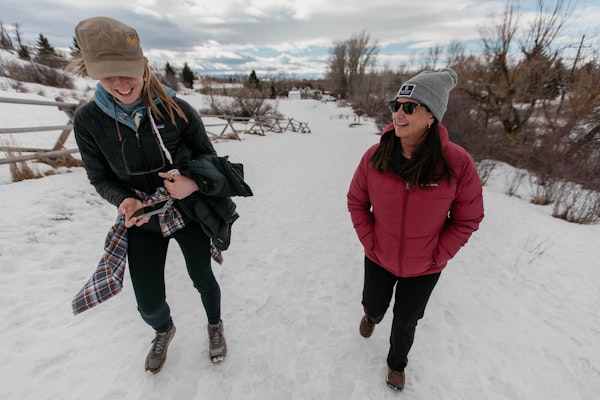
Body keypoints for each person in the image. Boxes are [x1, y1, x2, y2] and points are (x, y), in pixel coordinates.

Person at [68, 16, 228, 373]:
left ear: (143, 64)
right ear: (93, 73)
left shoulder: (176, 109)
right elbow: (98, 176)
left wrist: (192, 183)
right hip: (143, 217)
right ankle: (163, 329)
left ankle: (215, 325)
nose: (121, 84)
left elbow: (209, 159)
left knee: (202, 276)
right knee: (148, 301)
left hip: (186, 210)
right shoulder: (88, 121)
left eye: (127, 71)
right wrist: (124, 200)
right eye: (108, 75)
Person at [347, 68, 484, 391]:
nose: (398, 113)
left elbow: (468, 218)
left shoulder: (457, 163)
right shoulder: (376, 155)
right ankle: (372, 317)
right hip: (379, 256)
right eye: (396, 104)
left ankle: (396, 364)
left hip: (425, 267)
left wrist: (438, 255)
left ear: (432, 115)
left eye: (409, 107)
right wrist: (371, 242)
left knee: (407, 320)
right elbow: (356, 201)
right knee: (375, 304)